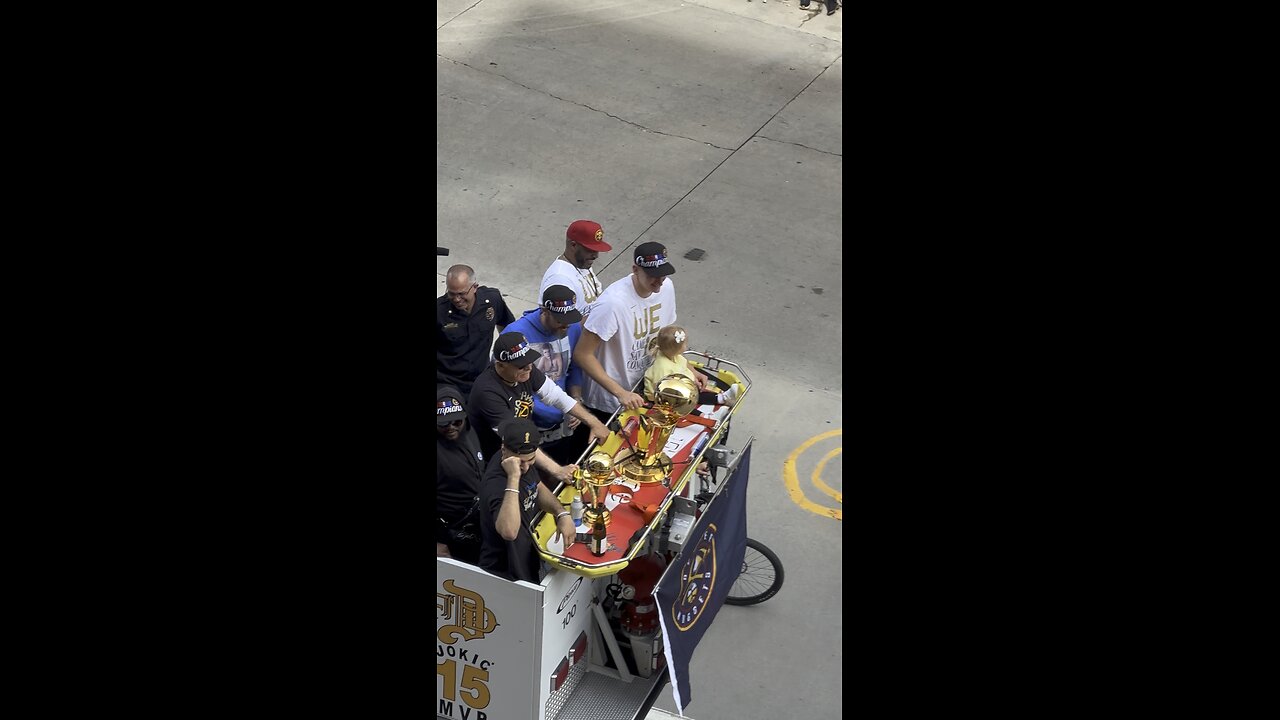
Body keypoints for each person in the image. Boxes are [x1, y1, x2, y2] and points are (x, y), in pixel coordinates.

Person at [469, 331, 611, 485]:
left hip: (523, 447)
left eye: (530, 361)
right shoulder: (487, 392)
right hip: (498, 459)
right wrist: (558, 471)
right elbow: (516, 439)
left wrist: (593, 422)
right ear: (500, 365)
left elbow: (556, 396)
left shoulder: (525, 370)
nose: (529, 367)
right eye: (521, 365)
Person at [573, 241, 678, 421]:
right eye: (653, 275)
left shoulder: (666, 287)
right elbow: (583, 355)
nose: (659, 281)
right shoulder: (612, 303)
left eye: (663, 274)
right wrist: (621, 393)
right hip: (610, 403)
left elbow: (666, 335)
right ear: (635, 269)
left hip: (647, 388)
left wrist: (686, 367)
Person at [477, 417, 578, 583]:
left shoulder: (526, 463)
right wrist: (513, 477)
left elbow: (536, 487)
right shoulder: (496, 482)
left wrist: (560, 513)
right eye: (519, 462)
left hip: (528, 557)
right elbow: (509, 532)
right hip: (504, 573)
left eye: (530, 460)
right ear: (504, 450)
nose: (525, 467)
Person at [503, 285, 593, 465]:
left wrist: (575, 400)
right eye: (560, 321)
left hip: (562, 424)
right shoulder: (516, 334)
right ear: (545, 311)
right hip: (530, 426)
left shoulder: (572, 327)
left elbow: (575, 368)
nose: (565, 326)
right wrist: (554, 410)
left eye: (569, 320)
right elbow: (507, 385)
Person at [437, 264, 516, 397]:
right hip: (448, 383)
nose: (457, 299)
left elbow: (507, 327)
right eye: (452, 293)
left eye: (461, 294)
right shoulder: (439, 311)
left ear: (475, 287)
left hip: (482, 379)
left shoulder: (492, 300)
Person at [436, 385, 485, 564]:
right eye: (443, 423)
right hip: (451, 531)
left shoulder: (469, 431)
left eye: (456, 421)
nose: (451, 427)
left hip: (480, 521)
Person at [643, 325, 743, 407]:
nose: (686, 346)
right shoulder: (662, 368)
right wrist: (689, 386)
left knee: (699, 388)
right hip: (663, 396)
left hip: (677, 383)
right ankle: (721, 398)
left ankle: (721, 395)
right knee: (691, 397)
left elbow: (683, 364)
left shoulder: (672, 355)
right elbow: (662, 390)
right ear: (677, 350)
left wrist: (694, 376)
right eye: (685, 344)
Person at [539, 220, 611, 318]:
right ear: (573, 245)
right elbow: (559, 323)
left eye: (597, 250)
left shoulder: (582, 263)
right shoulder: (559, 278)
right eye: (590, 250)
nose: (596, 255)